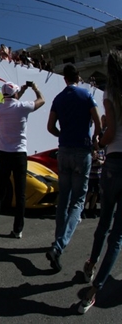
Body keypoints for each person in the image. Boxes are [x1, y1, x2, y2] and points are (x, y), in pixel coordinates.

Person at [45, 64, 102, 271]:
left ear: (64, 79)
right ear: (77, 76)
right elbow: (98, 122)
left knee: (64, 199)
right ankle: (59, 246)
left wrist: (63, 135)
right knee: (78, 201)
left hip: (64, 151)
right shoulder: (86, 95)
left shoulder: (58, 99)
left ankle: (57, 241)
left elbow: (50, 127)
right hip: (82, 151)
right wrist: (95, 137)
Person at [78, 50, 122, 314]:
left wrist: (99, 141)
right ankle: (93, 292)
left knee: (104, 220)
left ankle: (91, 263)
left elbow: (111, 133)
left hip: (115, 163)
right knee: (118, 237)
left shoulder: (109, 95)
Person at [0, 81, 45, 240]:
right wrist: (34, 88)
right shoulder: (22, 107)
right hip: (19, 155)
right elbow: (42, 100)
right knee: (20, 194)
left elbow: (12, 99)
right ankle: (17, 230)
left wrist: (19, 90)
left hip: (4, 154)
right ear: (15, 94)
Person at [81, 148, 104, 219]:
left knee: (96, 193)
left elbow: (104, 160)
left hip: (98, 175)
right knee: (89, 192)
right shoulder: (90, 150)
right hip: (90, 175)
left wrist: (101, 162)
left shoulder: (101, 151)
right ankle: (82, 209)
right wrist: (94, 159)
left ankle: (91, 209)